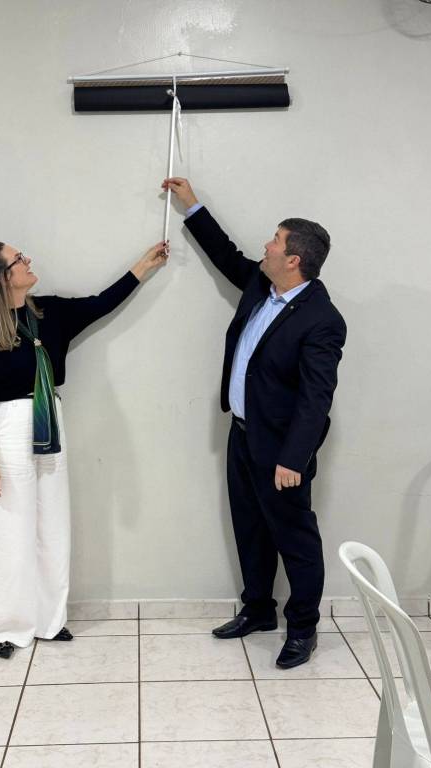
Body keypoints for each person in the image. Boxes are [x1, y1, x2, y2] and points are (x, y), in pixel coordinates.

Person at [162, 177, 347, 669]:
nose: (266, 245)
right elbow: (227, 256)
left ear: (294, 259)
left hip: (282, 451)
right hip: (242, 435)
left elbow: (316, 398)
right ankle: (259, 610)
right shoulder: (263, 284)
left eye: (275, 240)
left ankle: (302, 629)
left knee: (296, 540)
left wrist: (294, 459)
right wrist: (191, 205)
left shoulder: (322, 320)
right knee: (250, 528)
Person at [0, 240, 168, 658]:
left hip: (49, 421)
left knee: (53, 526)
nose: (29, 261)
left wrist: (143, 265)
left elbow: (101, 303)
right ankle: (5, 628)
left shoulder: (49, 313)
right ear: (3, 276)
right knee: (10, 529)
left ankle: (48, 621)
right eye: (19, 259)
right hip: (10, 428)